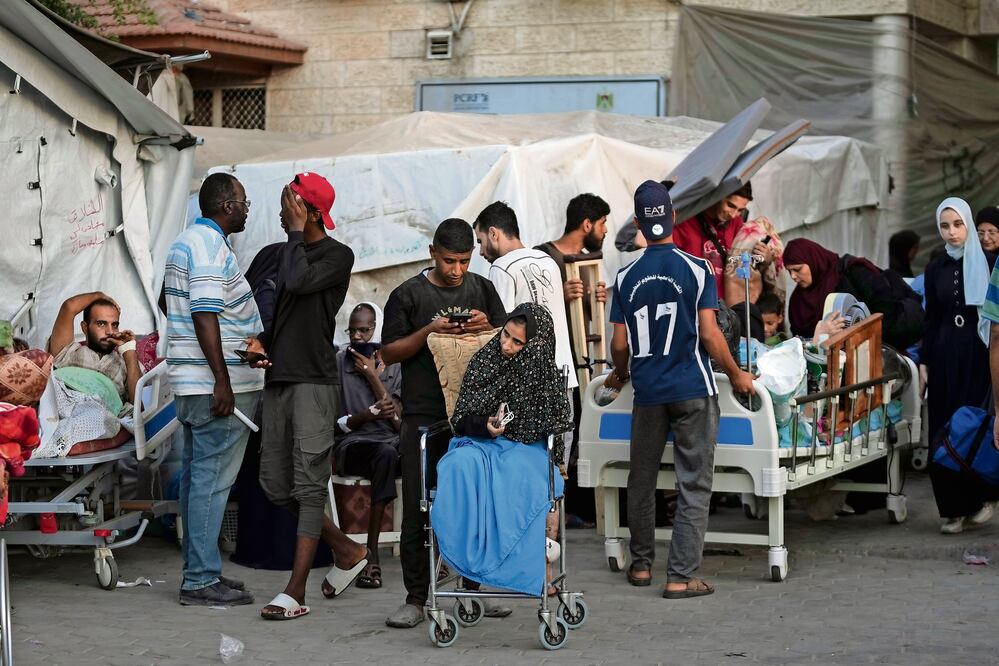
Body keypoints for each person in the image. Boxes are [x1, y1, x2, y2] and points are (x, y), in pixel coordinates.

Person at [605, 180, 755, 598]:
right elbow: (710, 333)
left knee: (642, 477)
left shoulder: (625, 275)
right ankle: (680, 575)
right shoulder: (697, 269)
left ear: (637, 223)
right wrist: (737, 373)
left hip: (648, 391)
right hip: (692, 387)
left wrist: (621, 373)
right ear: (673, 218)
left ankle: (640, 565)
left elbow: (619, 345)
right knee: (693, 482)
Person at [247, 173, 369, 621]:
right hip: (279, 380)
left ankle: (296, 591)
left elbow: (298, 284)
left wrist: (297, 233)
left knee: (310, 484)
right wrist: (262, 341)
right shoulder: (284, 253)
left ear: (309, 212)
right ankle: (346, 549)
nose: (280, 215)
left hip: (315, 384)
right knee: (275, 485)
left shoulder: (337, 255)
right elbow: (283, 309)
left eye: (288, 207)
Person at [381, 218, 507, 629]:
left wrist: (485, 326)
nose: (457, 270)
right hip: (421, 415)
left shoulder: (481, 288)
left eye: (465, 261)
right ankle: (416, 598)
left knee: (474, 503)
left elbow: (507, 335)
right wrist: (430, 331)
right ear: (432, 251)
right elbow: (391, 352)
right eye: (450, 261)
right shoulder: (408, 294)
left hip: (471, 416)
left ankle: (473, 588)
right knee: (419, 509)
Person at [164, 173, 264, 606]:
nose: (246, 208)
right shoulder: (206, 246)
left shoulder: (186, 243)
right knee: (210, 482)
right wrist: (222, 380)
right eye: (242, 200)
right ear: (225, 205)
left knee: (197, 480)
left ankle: (199, 571)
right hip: (214, 385)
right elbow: (204, 314)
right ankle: (201, 579)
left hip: (194, 382)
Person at [431, 303, 572, 596]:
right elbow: (461, 419)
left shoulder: (542, 372)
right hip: (482, 444)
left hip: (527, 448)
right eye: (505, 335)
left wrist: (558, 461)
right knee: (458, 465)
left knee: (534, 481)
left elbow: (553, 427)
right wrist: (486, 425)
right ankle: (470, 566)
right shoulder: (487, 359)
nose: (506, 345)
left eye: (518, 342)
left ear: (536, 344)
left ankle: (536, 573)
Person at [472, 201, 577, 463]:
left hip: (527, 383)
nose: (481, 251)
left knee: (529, 465)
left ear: (494, 233)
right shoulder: (549, 261)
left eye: (481, 240)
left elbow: (503, 333)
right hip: (563, 375)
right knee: (558, 465)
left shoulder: (501, 268)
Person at [921, 198, 996, 534]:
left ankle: (981, 497)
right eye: (945, 225)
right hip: (944, 353)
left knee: (975, 425)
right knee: (942, 427)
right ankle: (951, 509)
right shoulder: (935, 266)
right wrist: (924, 361)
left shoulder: (991, 262)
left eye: (958, 224)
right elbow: (931, 318)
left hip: (978, 354)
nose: (952, 232)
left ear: (967, 224)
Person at [535, 192, 610, 527]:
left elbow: (589, 323)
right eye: (603, 222)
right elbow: (531, 311)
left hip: (582, 365)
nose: (606, 230)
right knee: (558, 436)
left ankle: (578, 509)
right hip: (552, 368)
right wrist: (559, 297)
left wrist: (596, 302)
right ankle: (554, 509)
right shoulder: (543, 259)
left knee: (579, 432)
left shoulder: (587, 260)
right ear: (587, 223)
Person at [333, 302, 402, 590]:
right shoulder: (339, 363)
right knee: (384, 454)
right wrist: (364, 417)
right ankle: (370, 553)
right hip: (353, 445)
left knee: (426, 454)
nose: (358, 337)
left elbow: (398, 421)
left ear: (378, 329)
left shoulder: (395, 364)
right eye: (353, 331)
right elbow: (334, 422)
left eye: (365, 330)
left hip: (391, 442)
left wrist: (373, 377)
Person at [783, 238, 923, 350]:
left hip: (875, 353)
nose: (793, 276)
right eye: (789, 271)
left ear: (813, 260)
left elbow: (885, 313)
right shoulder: (798, 301)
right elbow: (799, 341)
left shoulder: (854, 272)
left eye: (797, 269)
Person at [672, 183, 776, 302]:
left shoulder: (737, 223)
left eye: (740, 210)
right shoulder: (683, 222)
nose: (733, 214)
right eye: (730, 205)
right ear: (717, 196)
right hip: (695, 304)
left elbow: (745, 264)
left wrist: (765, 259)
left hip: (728, 306)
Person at [47, 292, 141, 404]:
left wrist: (129, 351)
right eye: (101, 324)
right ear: (85, 327)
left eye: (114, 325)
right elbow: (69, 306)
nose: (110, 331)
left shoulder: (126, 365)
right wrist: (99, 295)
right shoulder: (67, 351)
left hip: (105, 418)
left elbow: (139, 408)